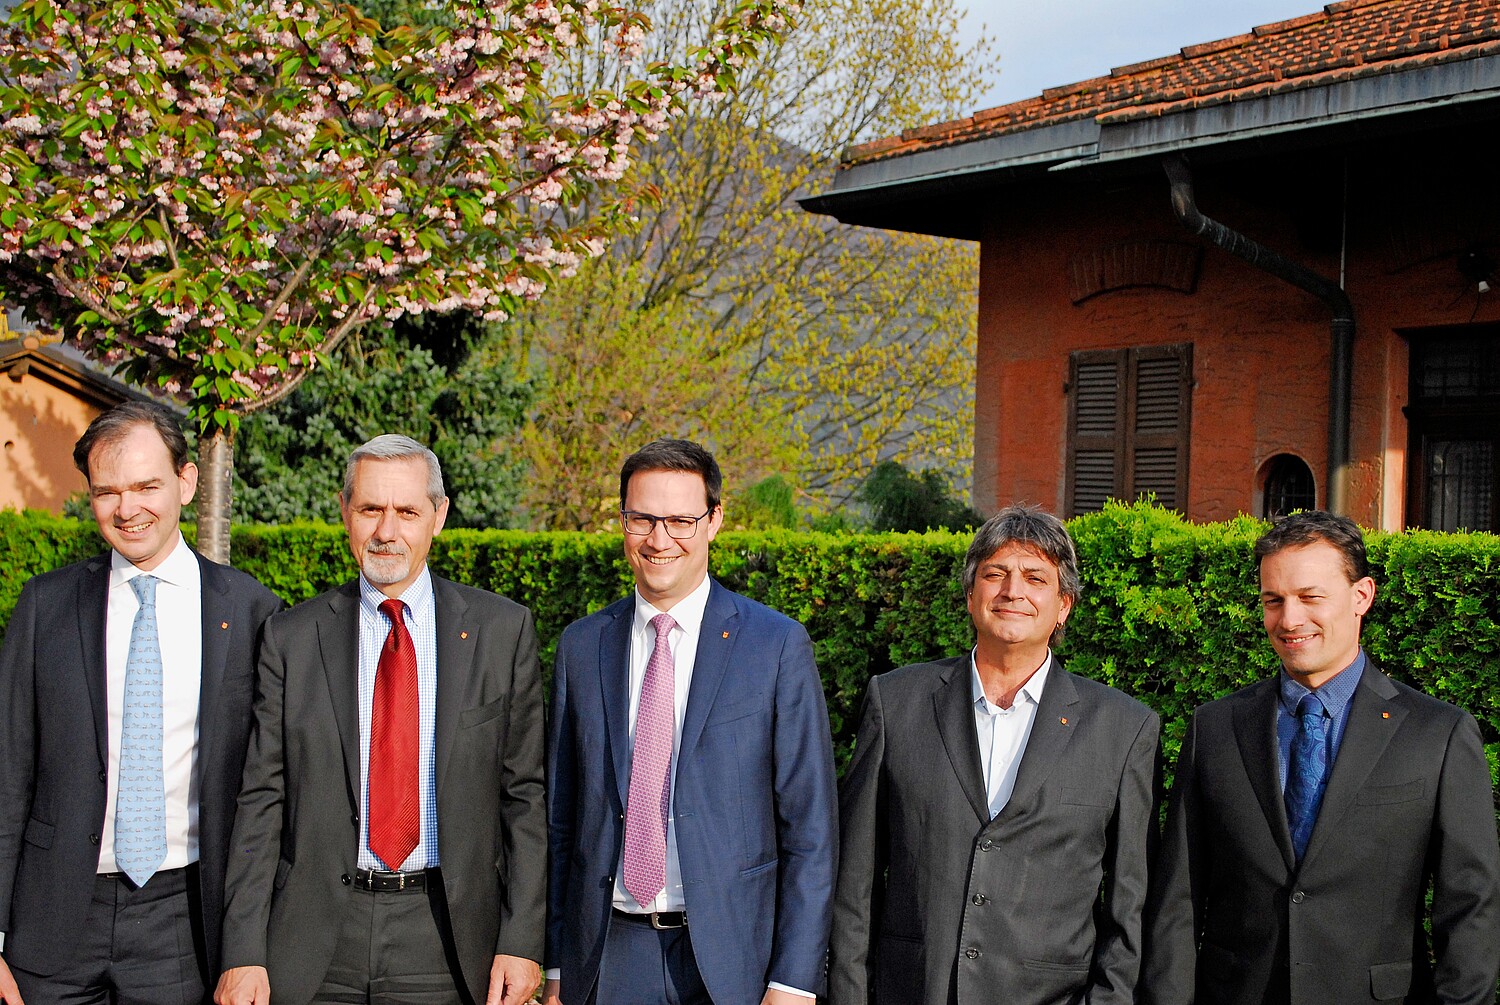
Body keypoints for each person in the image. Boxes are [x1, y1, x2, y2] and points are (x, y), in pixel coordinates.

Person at [214, 434, 546, 1005]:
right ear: (346, 511)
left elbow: (525, 799)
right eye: (370, 509)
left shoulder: (501, 633)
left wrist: (522, 939)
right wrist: (242, 950)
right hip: (314, 941)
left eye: (407, 512)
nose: (386, 531)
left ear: (438, 516)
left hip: (447, 937)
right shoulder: (292, 638)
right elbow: (261, 801)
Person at [1143, 510, 1500, 1005]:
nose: (1289, 620)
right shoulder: (1217, 728)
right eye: (1274, 600)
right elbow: (1176, 901)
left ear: (1362, 596)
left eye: (1310, 597)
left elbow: (1471, 907)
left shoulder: (1437, 734)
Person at [0, 401, 283, 1005]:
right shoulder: (44, 608)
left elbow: (271, 793)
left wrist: (251, 946)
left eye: (146, 486)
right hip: (49, 923)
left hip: (182, 926)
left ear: (186, 482)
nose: (128, 510)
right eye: (108, 492)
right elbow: (7, 777)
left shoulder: (253, 612)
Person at [544, 438, 838, 1005]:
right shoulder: (582, 646)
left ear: (714, 521)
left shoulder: (774, 646)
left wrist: (793, 979)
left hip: (732, 963)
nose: (659, 539)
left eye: (680, 519)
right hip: (607, 957)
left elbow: (811, 829)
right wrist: (556, 964)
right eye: (642, 519)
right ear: (622, 521)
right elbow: (561, 820)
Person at [830, 504, 1160, 1005]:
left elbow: (1131, 904)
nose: (1013, 591)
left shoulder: (1123, 728)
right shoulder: (895, 703)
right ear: (970, 594)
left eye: (1035, 578)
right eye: (996, 574)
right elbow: (853, 881)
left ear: (1063, 605)